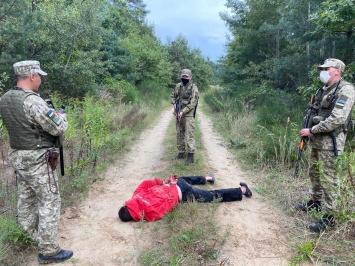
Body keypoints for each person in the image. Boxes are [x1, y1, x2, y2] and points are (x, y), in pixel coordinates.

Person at [0, 60, 73, 263]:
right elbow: (58, 128)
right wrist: (62, 117)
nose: (40, 79)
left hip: (18, 157)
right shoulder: (33, 101)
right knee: (49, 199)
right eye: (39, 75)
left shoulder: (5, 98)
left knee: (26, 198)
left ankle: (31, 236)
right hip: (37, 158)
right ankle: (48, 250)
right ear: (32, 75)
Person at [295, 58, 355, 233]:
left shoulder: (346, 90)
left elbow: (338, 118)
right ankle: (315, 202)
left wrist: (312, 130)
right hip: (317, 140)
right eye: (322, 68)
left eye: (326, 68)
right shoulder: (322, 90)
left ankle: (329, 217)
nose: (322, 71)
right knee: (314, 172)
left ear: (337, 71)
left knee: (329, 178)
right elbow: (313, 111)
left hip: (331, 142)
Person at [118, 174, 252, 222]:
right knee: (187, 179)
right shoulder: (136, 196)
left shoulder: (148, 214)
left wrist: (168, 185)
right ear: (127, 205)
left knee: (211, 196)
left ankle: (242, 190)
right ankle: (209, 178)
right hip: (179, 186)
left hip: (181, 190)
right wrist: (163, 183)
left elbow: (169, 204)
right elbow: (145, 184)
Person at [171, 69, 199, 165]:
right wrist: (174, 103)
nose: (184, 78)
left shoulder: (193, 88)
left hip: (188, 115)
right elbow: (173, 96)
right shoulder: (178, 86)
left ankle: (190, 156)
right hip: (179, 114)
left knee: (189, 135)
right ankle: (181, 152)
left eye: (186, 76)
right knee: (179, 133)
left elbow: (193, 103)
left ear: (190, 77)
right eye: (183, 76)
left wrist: (183, 111)